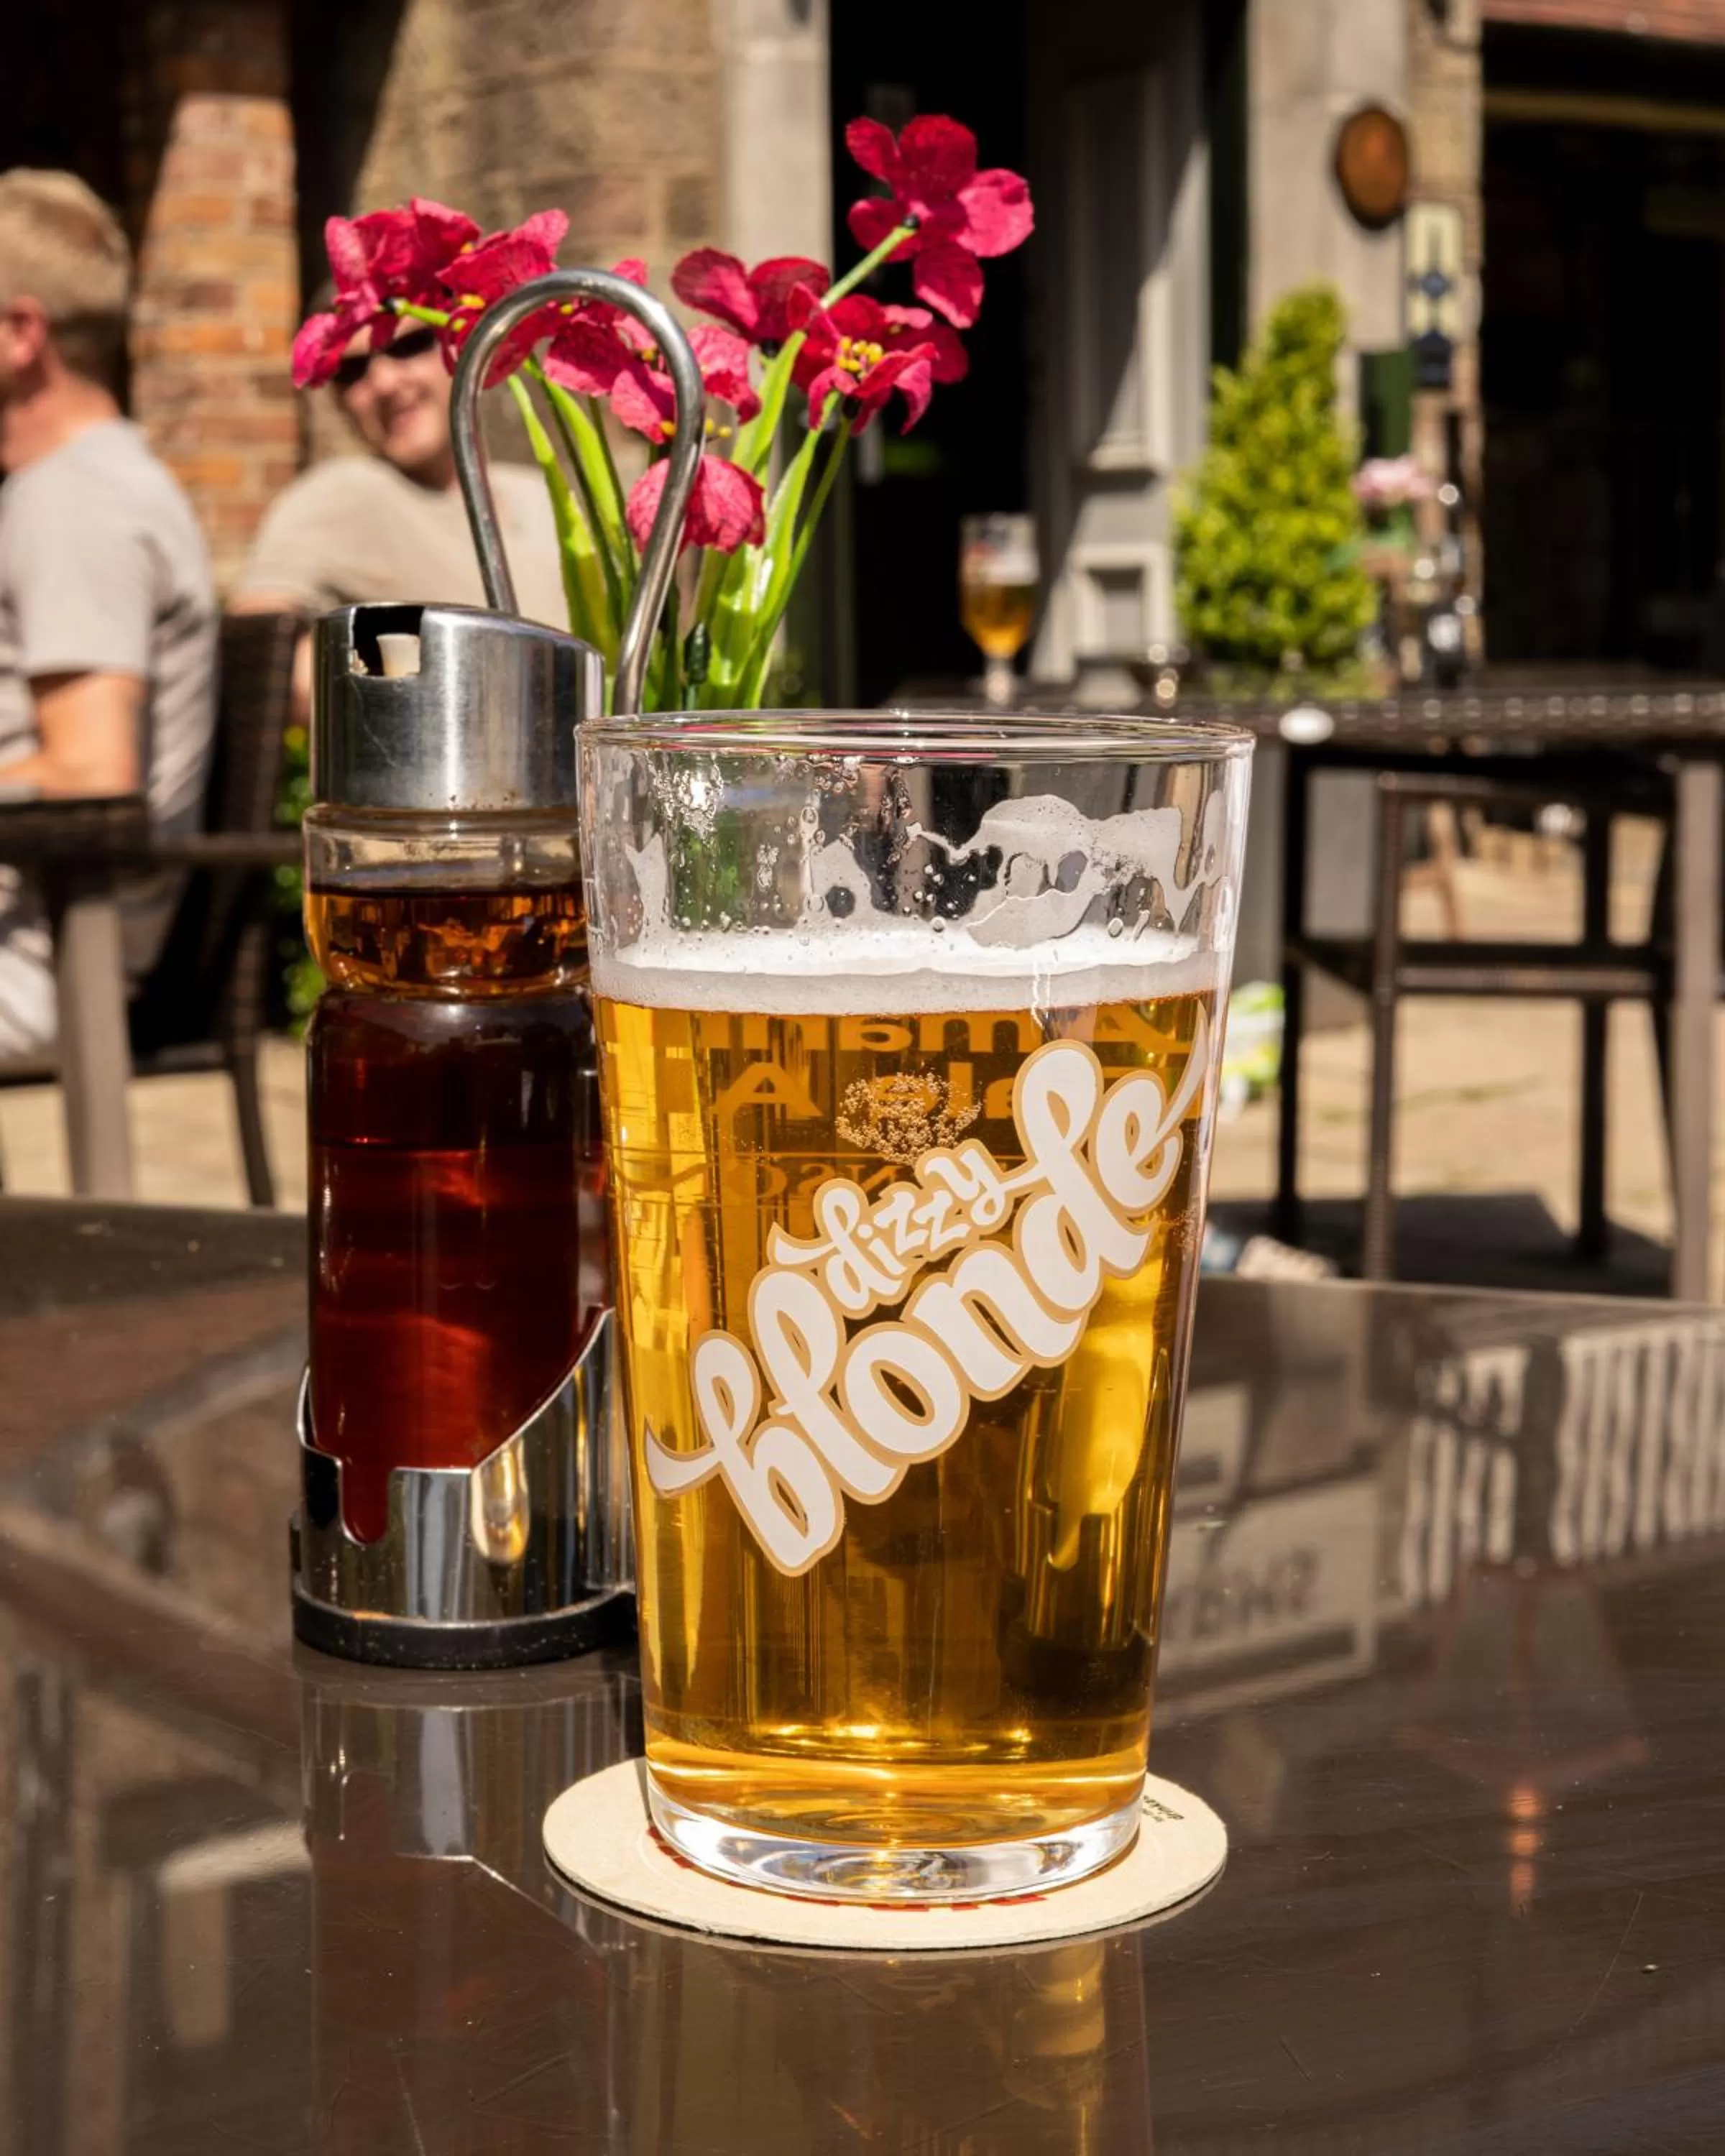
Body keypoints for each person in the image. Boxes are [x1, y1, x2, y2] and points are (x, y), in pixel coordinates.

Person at [0, 170, 216, 1060]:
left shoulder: (76, 503)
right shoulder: (79, 487)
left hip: (43, 961)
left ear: (21, 333)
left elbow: (89, 767)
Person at [231, 310, 566, 687]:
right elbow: (260, 654)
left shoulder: (542, 492)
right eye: (352, 370)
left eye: (407, 346)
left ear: (460, 347)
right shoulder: (345, 493)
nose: (385, 381)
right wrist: (438, 703)